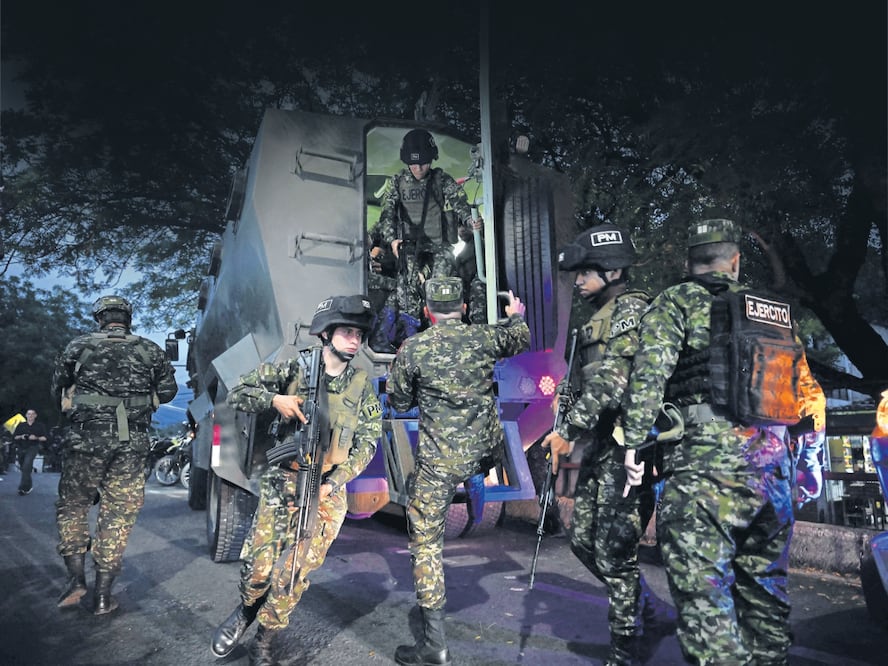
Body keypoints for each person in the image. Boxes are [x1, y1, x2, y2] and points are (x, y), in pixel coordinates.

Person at [621, 217, 827, 665]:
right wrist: (807, 461)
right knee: (766, 592)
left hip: (703, 472)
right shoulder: (774, 312)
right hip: (773, 469)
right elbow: (808, 393)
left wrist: (633, 446)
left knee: (704, 601)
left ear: (687, 261)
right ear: (735, 260)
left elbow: (648, 380)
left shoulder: (675, 301)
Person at [211, 295, 382, 666]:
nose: (355, 340)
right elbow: (238, 391)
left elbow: (368, 443)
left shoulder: (362, 387)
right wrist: (275, 400)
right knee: (259, 567)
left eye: (359, 334)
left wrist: (335, 482)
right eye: (347, 332)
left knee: (293, 574)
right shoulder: (294, 368)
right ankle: (244, 612)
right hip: (281, 482)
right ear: (326, 333)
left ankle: (265, 638)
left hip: (325, 491)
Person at [539, 223, 666, 665]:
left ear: (611, 271)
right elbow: (589, 378)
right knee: (582, 541)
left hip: (630, 447)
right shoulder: (596, 317)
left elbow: (615, 379)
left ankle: (626, 650)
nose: (577, 280)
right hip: (602, 449)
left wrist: (567, 430)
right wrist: (565, 398)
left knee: (616, 553)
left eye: (585, 272)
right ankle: (648, 608)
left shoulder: (631, 310)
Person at [387, 276, 529, 666]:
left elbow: (398, 401)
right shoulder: (484, 338)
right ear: (464, 308)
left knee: (427, 546)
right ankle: (478, 490)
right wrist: (514, 314)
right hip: (481, 453)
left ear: (428, 312)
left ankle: (434, 644)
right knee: (476, 466)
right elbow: (520, 336)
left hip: (438, 464)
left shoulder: (414, 348)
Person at [51, 295, 178, 614]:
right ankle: (103, 596)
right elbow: (167, 392)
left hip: (85, 440)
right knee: (118, 515)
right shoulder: (149, 349)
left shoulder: (77, 347)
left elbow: (58, 389)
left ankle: (76, 582)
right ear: (127, 318)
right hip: (130, 443)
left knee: (73, 506)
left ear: (100, 318)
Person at [378, 128, 481, 346]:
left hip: (438, 246)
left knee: (443, 289)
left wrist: (471, 220)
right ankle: (411, 342)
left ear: (431, 160)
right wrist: (392, 240)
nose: (418, 168)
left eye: (423, 163)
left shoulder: (441, 179)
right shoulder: (397, 182)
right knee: (408, 294)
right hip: (407, 246)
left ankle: (442, 338)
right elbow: (387, 214)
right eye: (413, 164)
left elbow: (459, 202)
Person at [13, 408, 49, 495]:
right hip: (21, 447)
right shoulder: (21, 425)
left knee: (27, 465)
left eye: (32, 414)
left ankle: (23, 488)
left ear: (35, 416)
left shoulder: (40, 426)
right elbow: (14, 437)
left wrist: (36, 437)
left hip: (33, 447)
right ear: (26, 415)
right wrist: (22, 436)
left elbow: (45, 438)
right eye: (29, 414)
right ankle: (29, 485)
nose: (30, 416)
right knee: (24, 468)